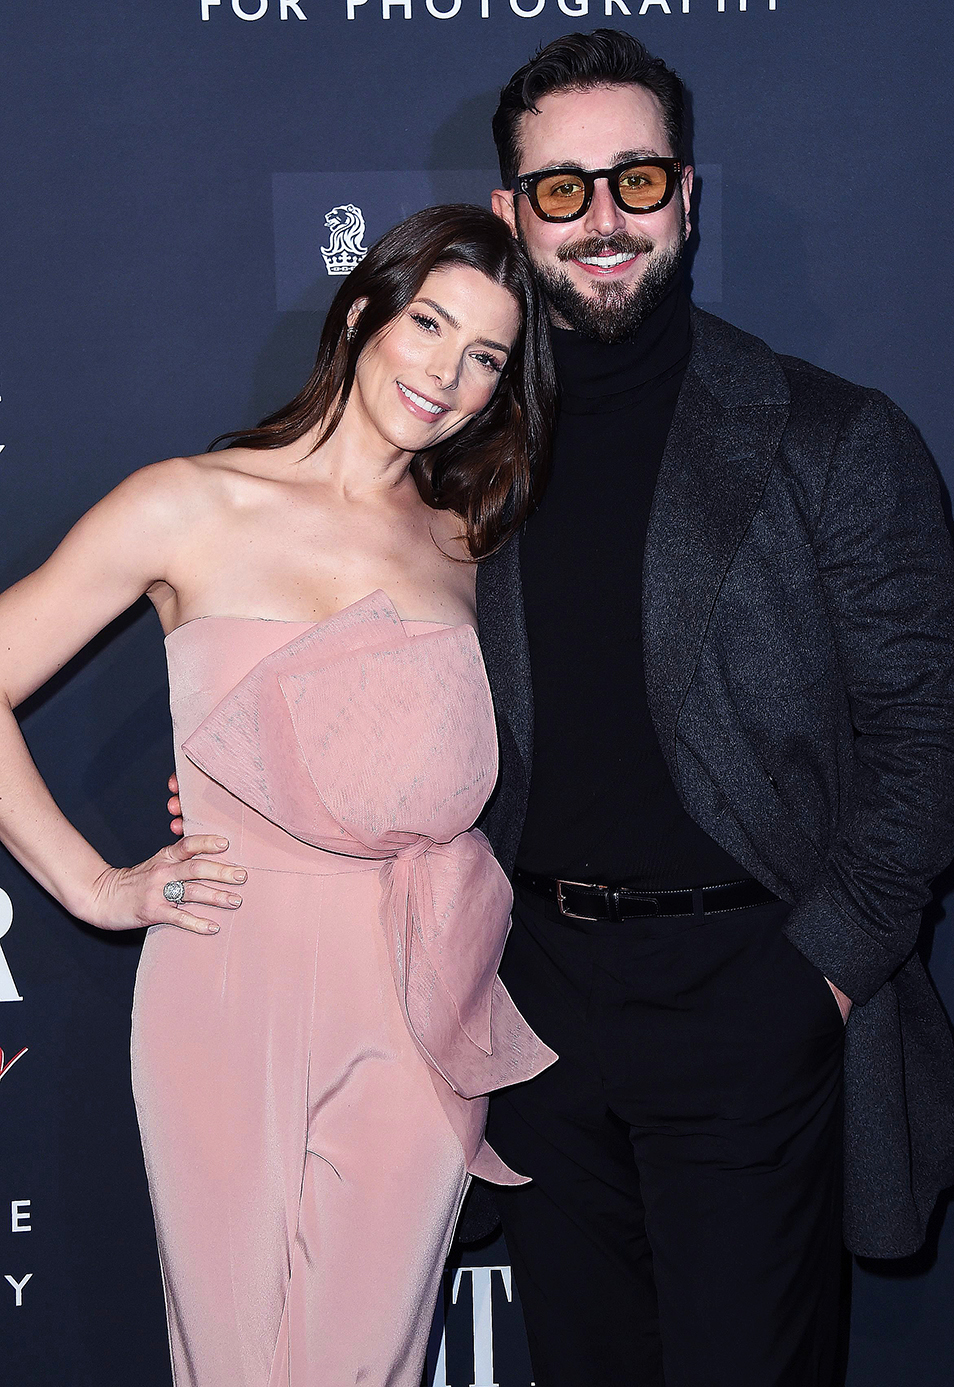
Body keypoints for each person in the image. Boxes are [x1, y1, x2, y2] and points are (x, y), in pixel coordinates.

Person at [469, 29, 954, 1387]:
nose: (603, 220)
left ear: (688, 196)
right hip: (531, 1002)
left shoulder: (832, 435)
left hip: (750, 997)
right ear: (515, 214)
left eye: (635, 180)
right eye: (562, 189)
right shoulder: (462, 453)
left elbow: (931, 729)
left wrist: (814, 974)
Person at [0, 204, 558, 1387]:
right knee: (240, 1364)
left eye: (485, 358)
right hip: (227, 981)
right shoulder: (190, 504)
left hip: (416, 1000)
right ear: (362, 313)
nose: (445, 375)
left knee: (371, 1365)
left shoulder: (468, 544)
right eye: (427, 324)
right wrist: (95, 883)